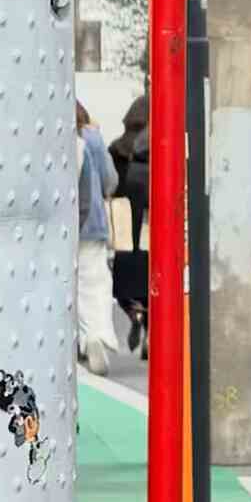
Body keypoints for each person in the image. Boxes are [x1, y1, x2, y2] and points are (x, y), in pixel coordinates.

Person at [76, 101, 120, 376]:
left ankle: (82, 336)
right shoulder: (92, 137)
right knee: (97, 282)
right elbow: (109, 178)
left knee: (73, 286)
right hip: (93, 222)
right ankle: (98, 334)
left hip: (63, 225)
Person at [109, 95, 150, 361]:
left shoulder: (117, 148)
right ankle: (148, 325)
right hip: (149, 220)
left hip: (124, 218)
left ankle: (133, 312)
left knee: (123, 279)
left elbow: (111, 184)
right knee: (151, 278)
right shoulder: (159, 144)